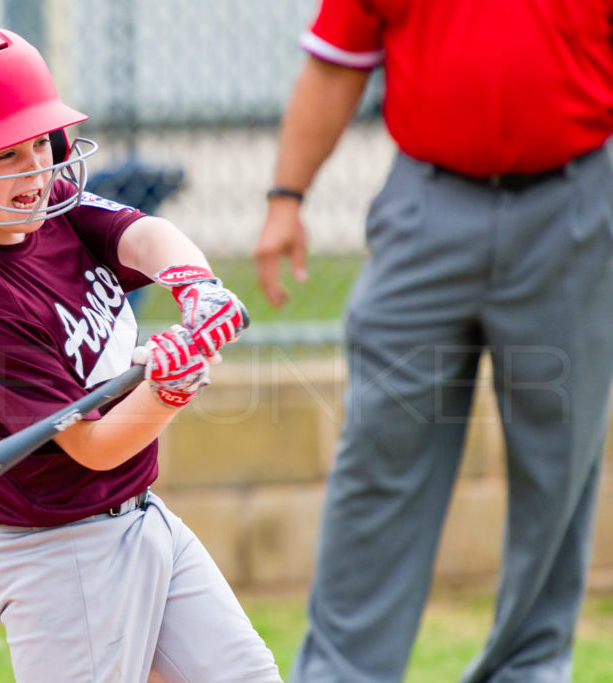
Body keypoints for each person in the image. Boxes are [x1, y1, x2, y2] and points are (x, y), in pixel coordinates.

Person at [0, 26, 281, 683]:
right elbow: (93, 445)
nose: (35, 167)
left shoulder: (53, 210)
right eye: (6, 154)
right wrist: (169, 390)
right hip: (59, 549)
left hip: (136, 512)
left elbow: (143, 235)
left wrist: (196, 288)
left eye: (41, 140)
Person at [254, 2, 613, 681]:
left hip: (575, 201)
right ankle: (342, 672)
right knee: (380, 448)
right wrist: (285, 197)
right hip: (427, 201)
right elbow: (334, 66)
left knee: (560, 462)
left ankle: (529, 668)